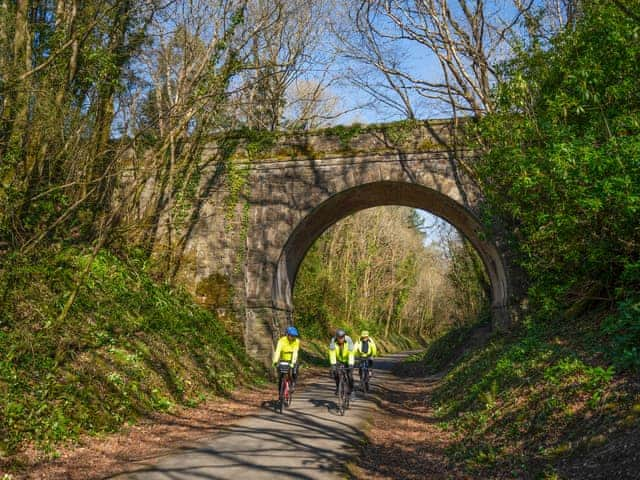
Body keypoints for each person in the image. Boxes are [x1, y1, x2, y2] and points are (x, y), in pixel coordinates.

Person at [272, 326, 300, 391]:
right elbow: (278, 351)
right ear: (287, 334)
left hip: (293, 359)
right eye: (291, 336)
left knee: (294, 372)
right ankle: (280, 395)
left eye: (294, 336)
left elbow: (295, 352)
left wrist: (293, 363)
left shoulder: (297, 341)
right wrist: (275, 361)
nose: (293, 338)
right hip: (283, 360)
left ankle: (293, 383)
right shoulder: (281, 341)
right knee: (281, 377)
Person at [328, 328, 355, 396]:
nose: (340, 339)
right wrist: (333, 365)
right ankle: (338, 387)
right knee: (336, 373)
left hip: (348, 360)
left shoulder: (349, 341)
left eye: (342, 337)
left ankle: (351, 390)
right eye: (339, 338)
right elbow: (332, 354)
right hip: (339, 360)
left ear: (344, 336)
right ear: (336, 337)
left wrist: (351, 364)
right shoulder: (333, 342)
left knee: (350, 375)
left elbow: (351, 354)